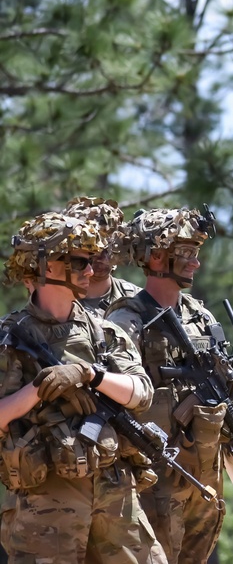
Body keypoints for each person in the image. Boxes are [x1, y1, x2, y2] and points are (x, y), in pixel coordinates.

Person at [0, 212, 164, 563]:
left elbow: (141, 392)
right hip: (45, 502)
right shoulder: (9, 340)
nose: (91, 270)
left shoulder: (104, 332)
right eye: (79, 261)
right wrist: (38, 389)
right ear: (44, 266)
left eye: (90, 261)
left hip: (115, 492)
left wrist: (90, 374)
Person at [105, 207, 227, 564]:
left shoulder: (201, 317)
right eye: (187, 253)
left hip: (205, 472)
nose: (196, 263)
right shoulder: (126, 319)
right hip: (155, 475)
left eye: (197, 253)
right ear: (156, 256)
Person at [62, 197, 141, 317]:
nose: (102, 254)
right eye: (93, 245)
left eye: (110, 243)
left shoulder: (136, 299)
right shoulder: (57, 303)